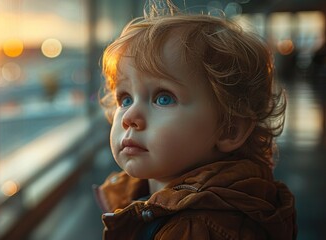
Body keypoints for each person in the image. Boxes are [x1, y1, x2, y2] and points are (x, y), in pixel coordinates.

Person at [93, 1, 297, 239]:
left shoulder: (196, 229)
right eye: (125, 99)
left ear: (229, 129)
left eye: (164, 98)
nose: (129, 117)